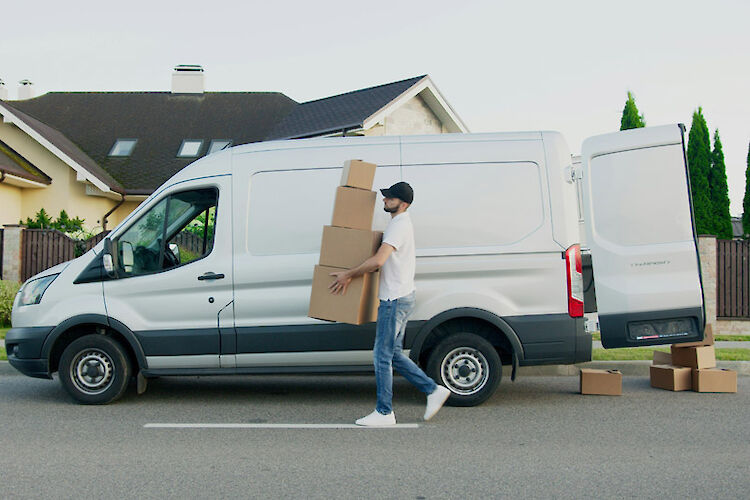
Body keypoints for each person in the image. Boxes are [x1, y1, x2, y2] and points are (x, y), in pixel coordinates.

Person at [329, 181, 451, 426]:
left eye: (390, 198)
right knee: (393, 353)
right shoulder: (400, 224)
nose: (384, 200)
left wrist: (348, 274)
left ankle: (384, 412)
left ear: (403, 204)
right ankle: (432, 389)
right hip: (403, 295)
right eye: (385, 196)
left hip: (394, 300)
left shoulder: (399, 225)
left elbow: (378, 261)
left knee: (381, 356)